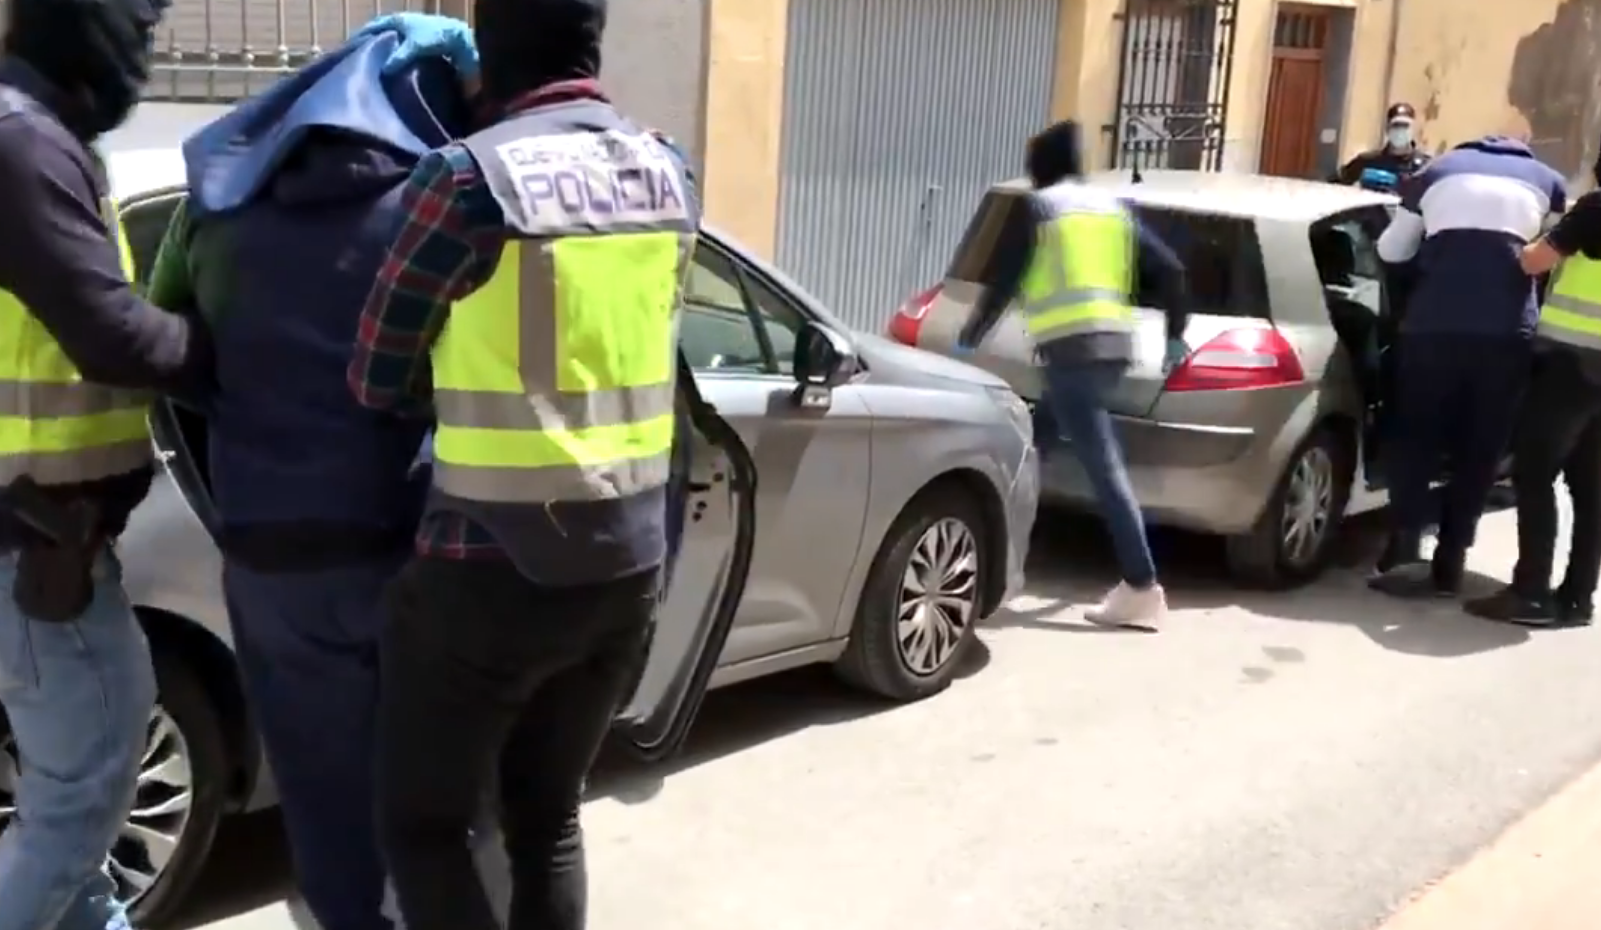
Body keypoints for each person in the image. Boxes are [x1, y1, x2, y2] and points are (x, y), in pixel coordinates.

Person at [346, 0, 698, 927]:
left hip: (484, 572)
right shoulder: (671, 172)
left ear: (488, 60)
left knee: (423, 827)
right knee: (547, 821)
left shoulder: (463, 180)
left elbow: (376, 376)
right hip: (626, 567)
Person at [142, 19, 491, 930]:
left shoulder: (216, 208)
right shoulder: (441, 207)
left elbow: (164, 338)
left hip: (271, 552)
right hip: (411, 542)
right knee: (443, 798)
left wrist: (242, 407)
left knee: (322, 797)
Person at [0, 0, 215, 925]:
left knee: (75, 839)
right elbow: (114, 335)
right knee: (80, 801)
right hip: (35, 544)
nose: (145, 59)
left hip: (44, 538)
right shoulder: (22, 144)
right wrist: (249, 357)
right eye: (142, 33)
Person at [957, 119, 1190, 631]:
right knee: (1033, 439)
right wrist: (1176, 332)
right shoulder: (1110, 208)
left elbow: (1006, 276)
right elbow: (1171, 270)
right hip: (1111, 349)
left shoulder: (1041, 208)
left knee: (1102, 467)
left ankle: (1141, 584)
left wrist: (971, 336)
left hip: (1072, 352)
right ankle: (1007, 551)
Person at [1368, 136, 1566, 598]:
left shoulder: (1433, 174)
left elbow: (1391, 252)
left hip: (1432, 326)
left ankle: (1405, 545)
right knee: (1481, 447)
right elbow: (1552, 259)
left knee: (1416, 434)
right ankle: (1452, 557)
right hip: (1505, 336)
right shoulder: (1550, 184)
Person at [1465, 154, 1601, 626]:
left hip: (1572, 364)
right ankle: (1578, 598)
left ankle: (1530, 592)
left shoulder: (1595, 209)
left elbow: (1533, 261)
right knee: (1590, 489)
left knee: (1534, 473)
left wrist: (1525, 241)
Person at [1331, 102, 1431, 187]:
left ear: (1413, 129)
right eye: (1396, 125)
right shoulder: (1368, 161)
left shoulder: (1425, 166)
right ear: (1387, 128)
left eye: (1405, 126)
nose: (1400, 130)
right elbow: (1335, 184)